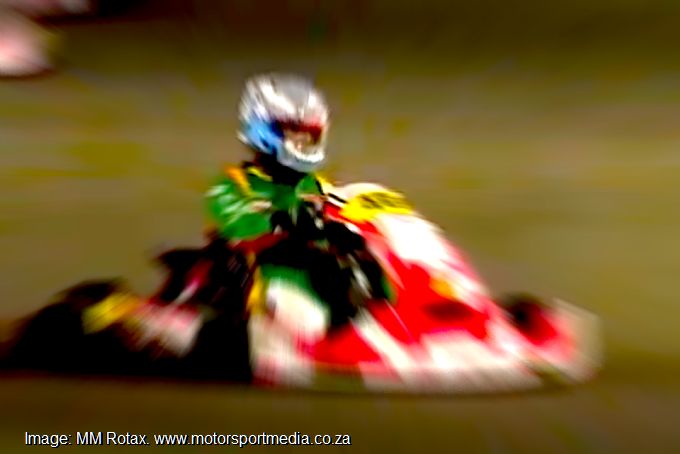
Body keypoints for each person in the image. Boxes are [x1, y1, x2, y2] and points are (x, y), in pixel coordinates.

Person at [204, 73, 390, 327]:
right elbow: (240, 223)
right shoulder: (233, 185)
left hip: (321, 274)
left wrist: (351, 231)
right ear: (264, 129)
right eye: (296, 136)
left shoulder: (318, 185)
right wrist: (286, 221)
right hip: (268, 282)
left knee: (371, 269)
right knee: (299, 311)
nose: (303, 144)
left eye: (309, 137)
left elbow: (342, 211)